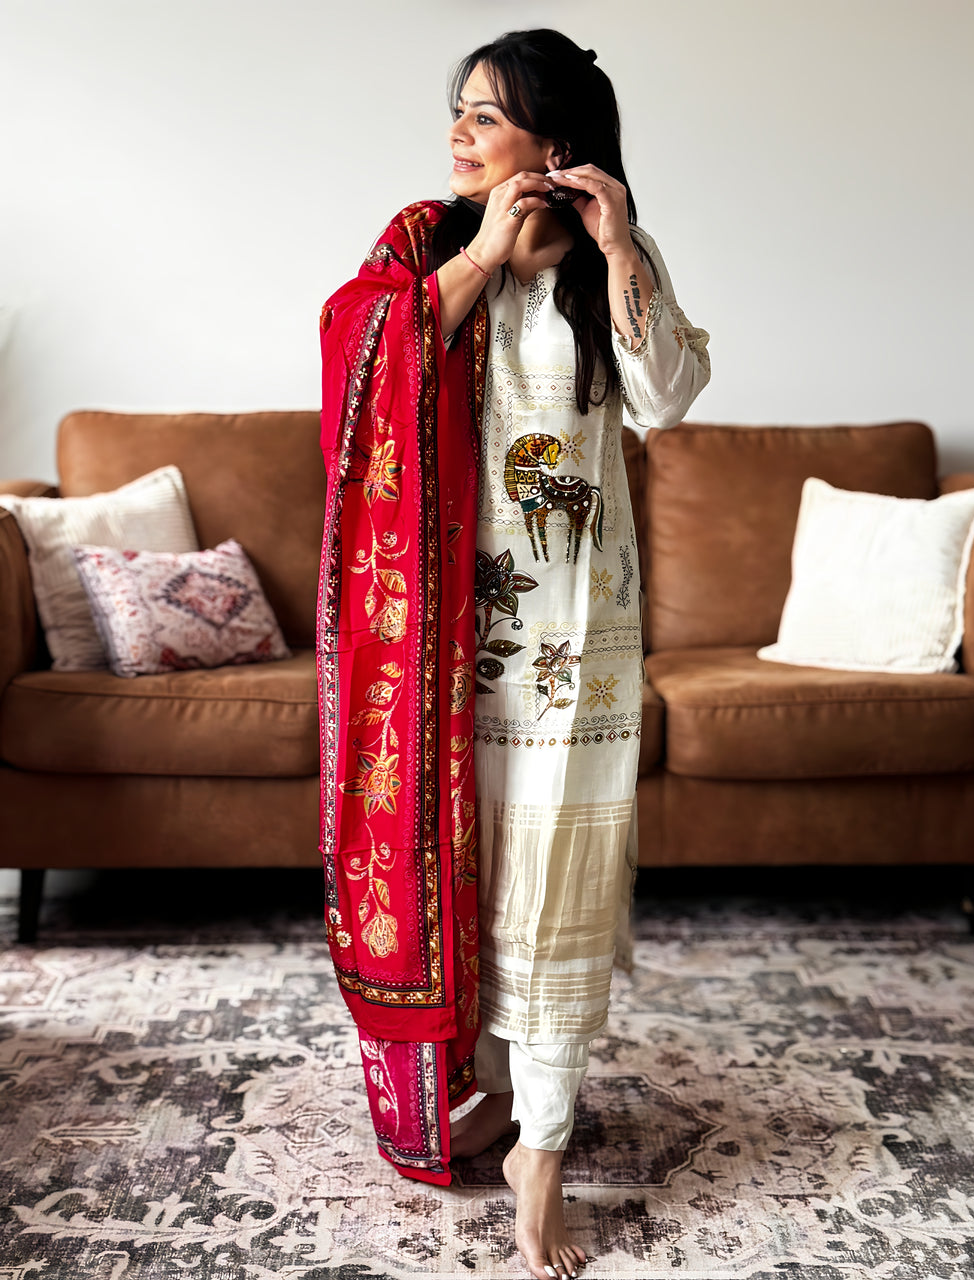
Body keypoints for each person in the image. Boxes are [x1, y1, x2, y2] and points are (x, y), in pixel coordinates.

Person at [316, 28, 710, 1279]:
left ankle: (540, 1141)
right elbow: (359, 361)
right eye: (459, 113)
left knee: (554, 883)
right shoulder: (429, 249)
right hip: (445, 652)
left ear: (559, 138)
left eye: (487, 117)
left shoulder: (609, 267)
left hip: (575, 648)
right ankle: (486, 1087)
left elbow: (672, 391)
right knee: (467, 873)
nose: (460, 134)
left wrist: (619, 242)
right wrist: (486, 253)